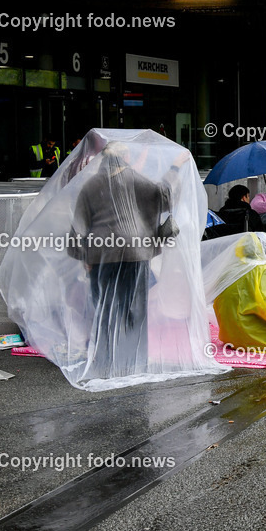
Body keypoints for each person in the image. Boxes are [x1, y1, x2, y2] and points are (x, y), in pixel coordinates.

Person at [70, 142, 175, 381]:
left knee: (105, 307)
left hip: (100, 254)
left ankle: (106, 360)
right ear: (126, 157)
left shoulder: (90, 185)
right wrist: (175, 170)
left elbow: (79, 224)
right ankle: (133, 360)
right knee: (134, 307)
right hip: (134, 252)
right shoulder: (136, 179)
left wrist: (83, 255)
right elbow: (164, 199)